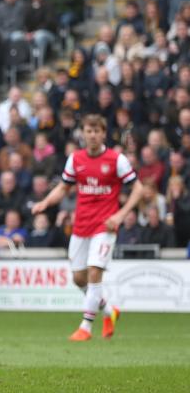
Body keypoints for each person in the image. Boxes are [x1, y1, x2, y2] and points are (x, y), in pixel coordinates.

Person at [32, 114, 143, 342]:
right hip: (81, 226)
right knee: (79, 279)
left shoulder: (116, 160)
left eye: (97, 131)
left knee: (94, 272)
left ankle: (86, 327)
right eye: (88, 131)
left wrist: (120, 215)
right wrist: (45, 202)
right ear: (83, 133)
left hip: (105, 226)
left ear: (103, 133)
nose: (92, 135)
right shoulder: (75, 159)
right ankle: (109, 310)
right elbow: (63, 188)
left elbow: (138, 189)